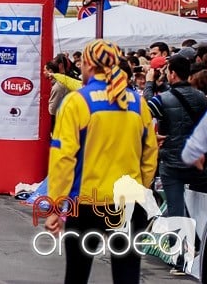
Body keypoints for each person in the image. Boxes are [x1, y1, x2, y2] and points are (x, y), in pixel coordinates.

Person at [45, 39, 158, 284]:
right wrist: (143, 186)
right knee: (127, 274)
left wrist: (56, 205)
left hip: (86, 203)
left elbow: (63, 158)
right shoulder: (138, 103)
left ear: (87, 65)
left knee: (77, 274)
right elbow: (150, 153)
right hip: (129, 203)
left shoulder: (77, 102)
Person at [144, 52, 207, 218]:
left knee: (175, 212)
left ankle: (177, 241)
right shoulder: (202, 98)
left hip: (171, 163)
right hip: (196, 161)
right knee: (199, 210)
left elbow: (144, 115)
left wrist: (150, 83)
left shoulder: (162, 99)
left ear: (172, 74)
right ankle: (198, 241)